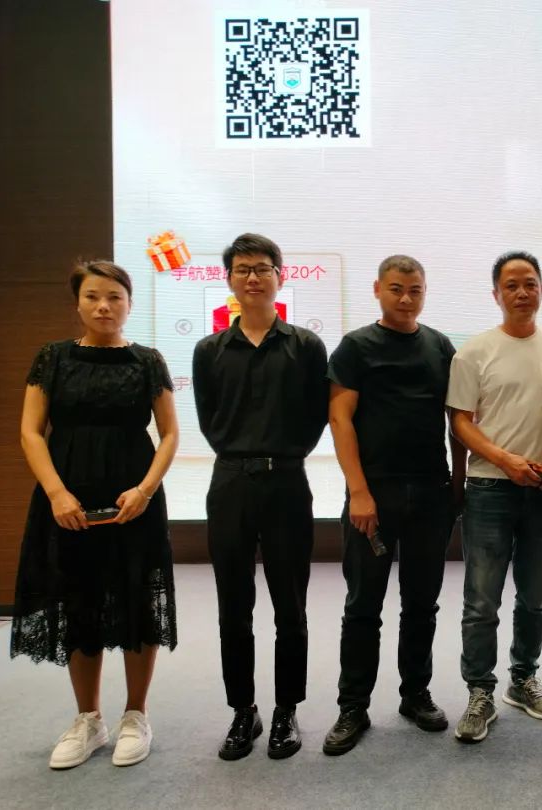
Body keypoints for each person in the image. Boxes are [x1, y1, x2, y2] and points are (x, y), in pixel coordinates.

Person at [11, 260, 178, 769]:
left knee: (136, 598)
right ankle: (89, 718)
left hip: (134, 498)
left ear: (129, 304)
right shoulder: (54, 357)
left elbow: (170, 434)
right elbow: (31, 431)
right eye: (92, 297)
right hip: (68, 499)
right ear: (78, 303)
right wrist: (57, 493)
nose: (104, 306)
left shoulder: (147, 360)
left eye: (114, 297)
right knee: (78, 600)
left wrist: (145, 489)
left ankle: (135, 715)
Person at [321, 255, 465, 755]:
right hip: (374, 495)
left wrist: (458, 482)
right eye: (397, 288)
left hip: (431, 493)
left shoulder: (440, 347)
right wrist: (358, 491)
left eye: (415, 290)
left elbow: (456, 419)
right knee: (363, 605)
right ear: (378, 289)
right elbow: (340, 419)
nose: (406, 298)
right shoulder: (355, 347)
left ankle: (415, 695)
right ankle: (352, 707)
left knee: (421, 604)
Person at [192, 233, 328, 760]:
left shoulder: (305, 346)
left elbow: (315, 415)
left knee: (290, 605)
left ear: (279, 276)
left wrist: (284, 453)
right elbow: (209, 418)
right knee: (233, 605)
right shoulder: (209, 351)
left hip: (286, 482)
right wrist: (240, 453)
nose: (253, 277)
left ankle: (286, 710)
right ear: (229, 278)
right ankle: (243, 711)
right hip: (229, 483)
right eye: (243, 269)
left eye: (262, 268)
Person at [447, 250, 542, 743]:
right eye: (512, 285)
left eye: (530, 283)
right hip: (489, 489)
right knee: (481, 602)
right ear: (496, 294)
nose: (522, 292)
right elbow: (460, 422)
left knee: (535, 599)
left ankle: (523, 680)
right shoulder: (474, 352)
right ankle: (480, 691)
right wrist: (504, 460)